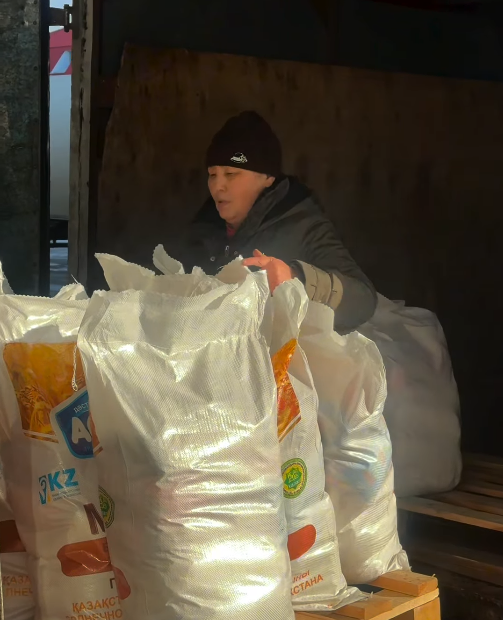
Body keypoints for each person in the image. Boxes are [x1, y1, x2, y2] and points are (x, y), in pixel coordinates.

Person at [172, 111, 376, 332]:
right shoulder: (204, 225)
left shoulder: (303, 225)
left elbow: (364, 300)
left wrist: (296, 280)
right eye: (213, 174)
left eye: (231, 174)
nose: (217, 186)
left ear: (267, 177)